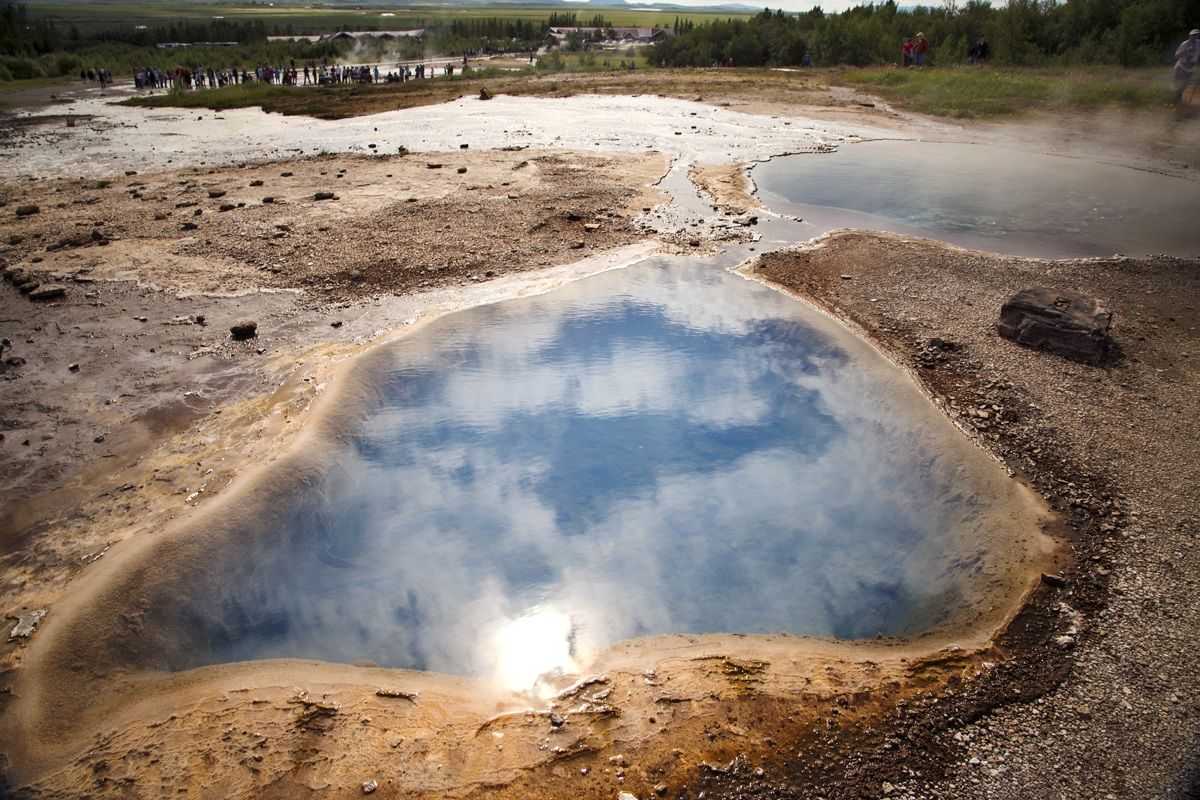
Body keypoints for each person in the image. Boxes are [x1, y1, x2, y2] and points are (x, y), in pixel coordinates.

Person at [1175, 29, 1200, 103]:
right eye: (1193, 35)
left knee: (1185, 85)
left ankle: (1177, 98)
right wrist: (1185, 52)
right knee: (1179, 84)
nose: (1195, 37)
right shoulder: (1184, 44)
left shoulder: (1199, 44)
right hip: (1181, 67)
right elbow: (1176, 55)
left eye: (1196, 35)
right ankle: (1176, 98)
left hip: (1191, 68)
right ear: (1190, 36)